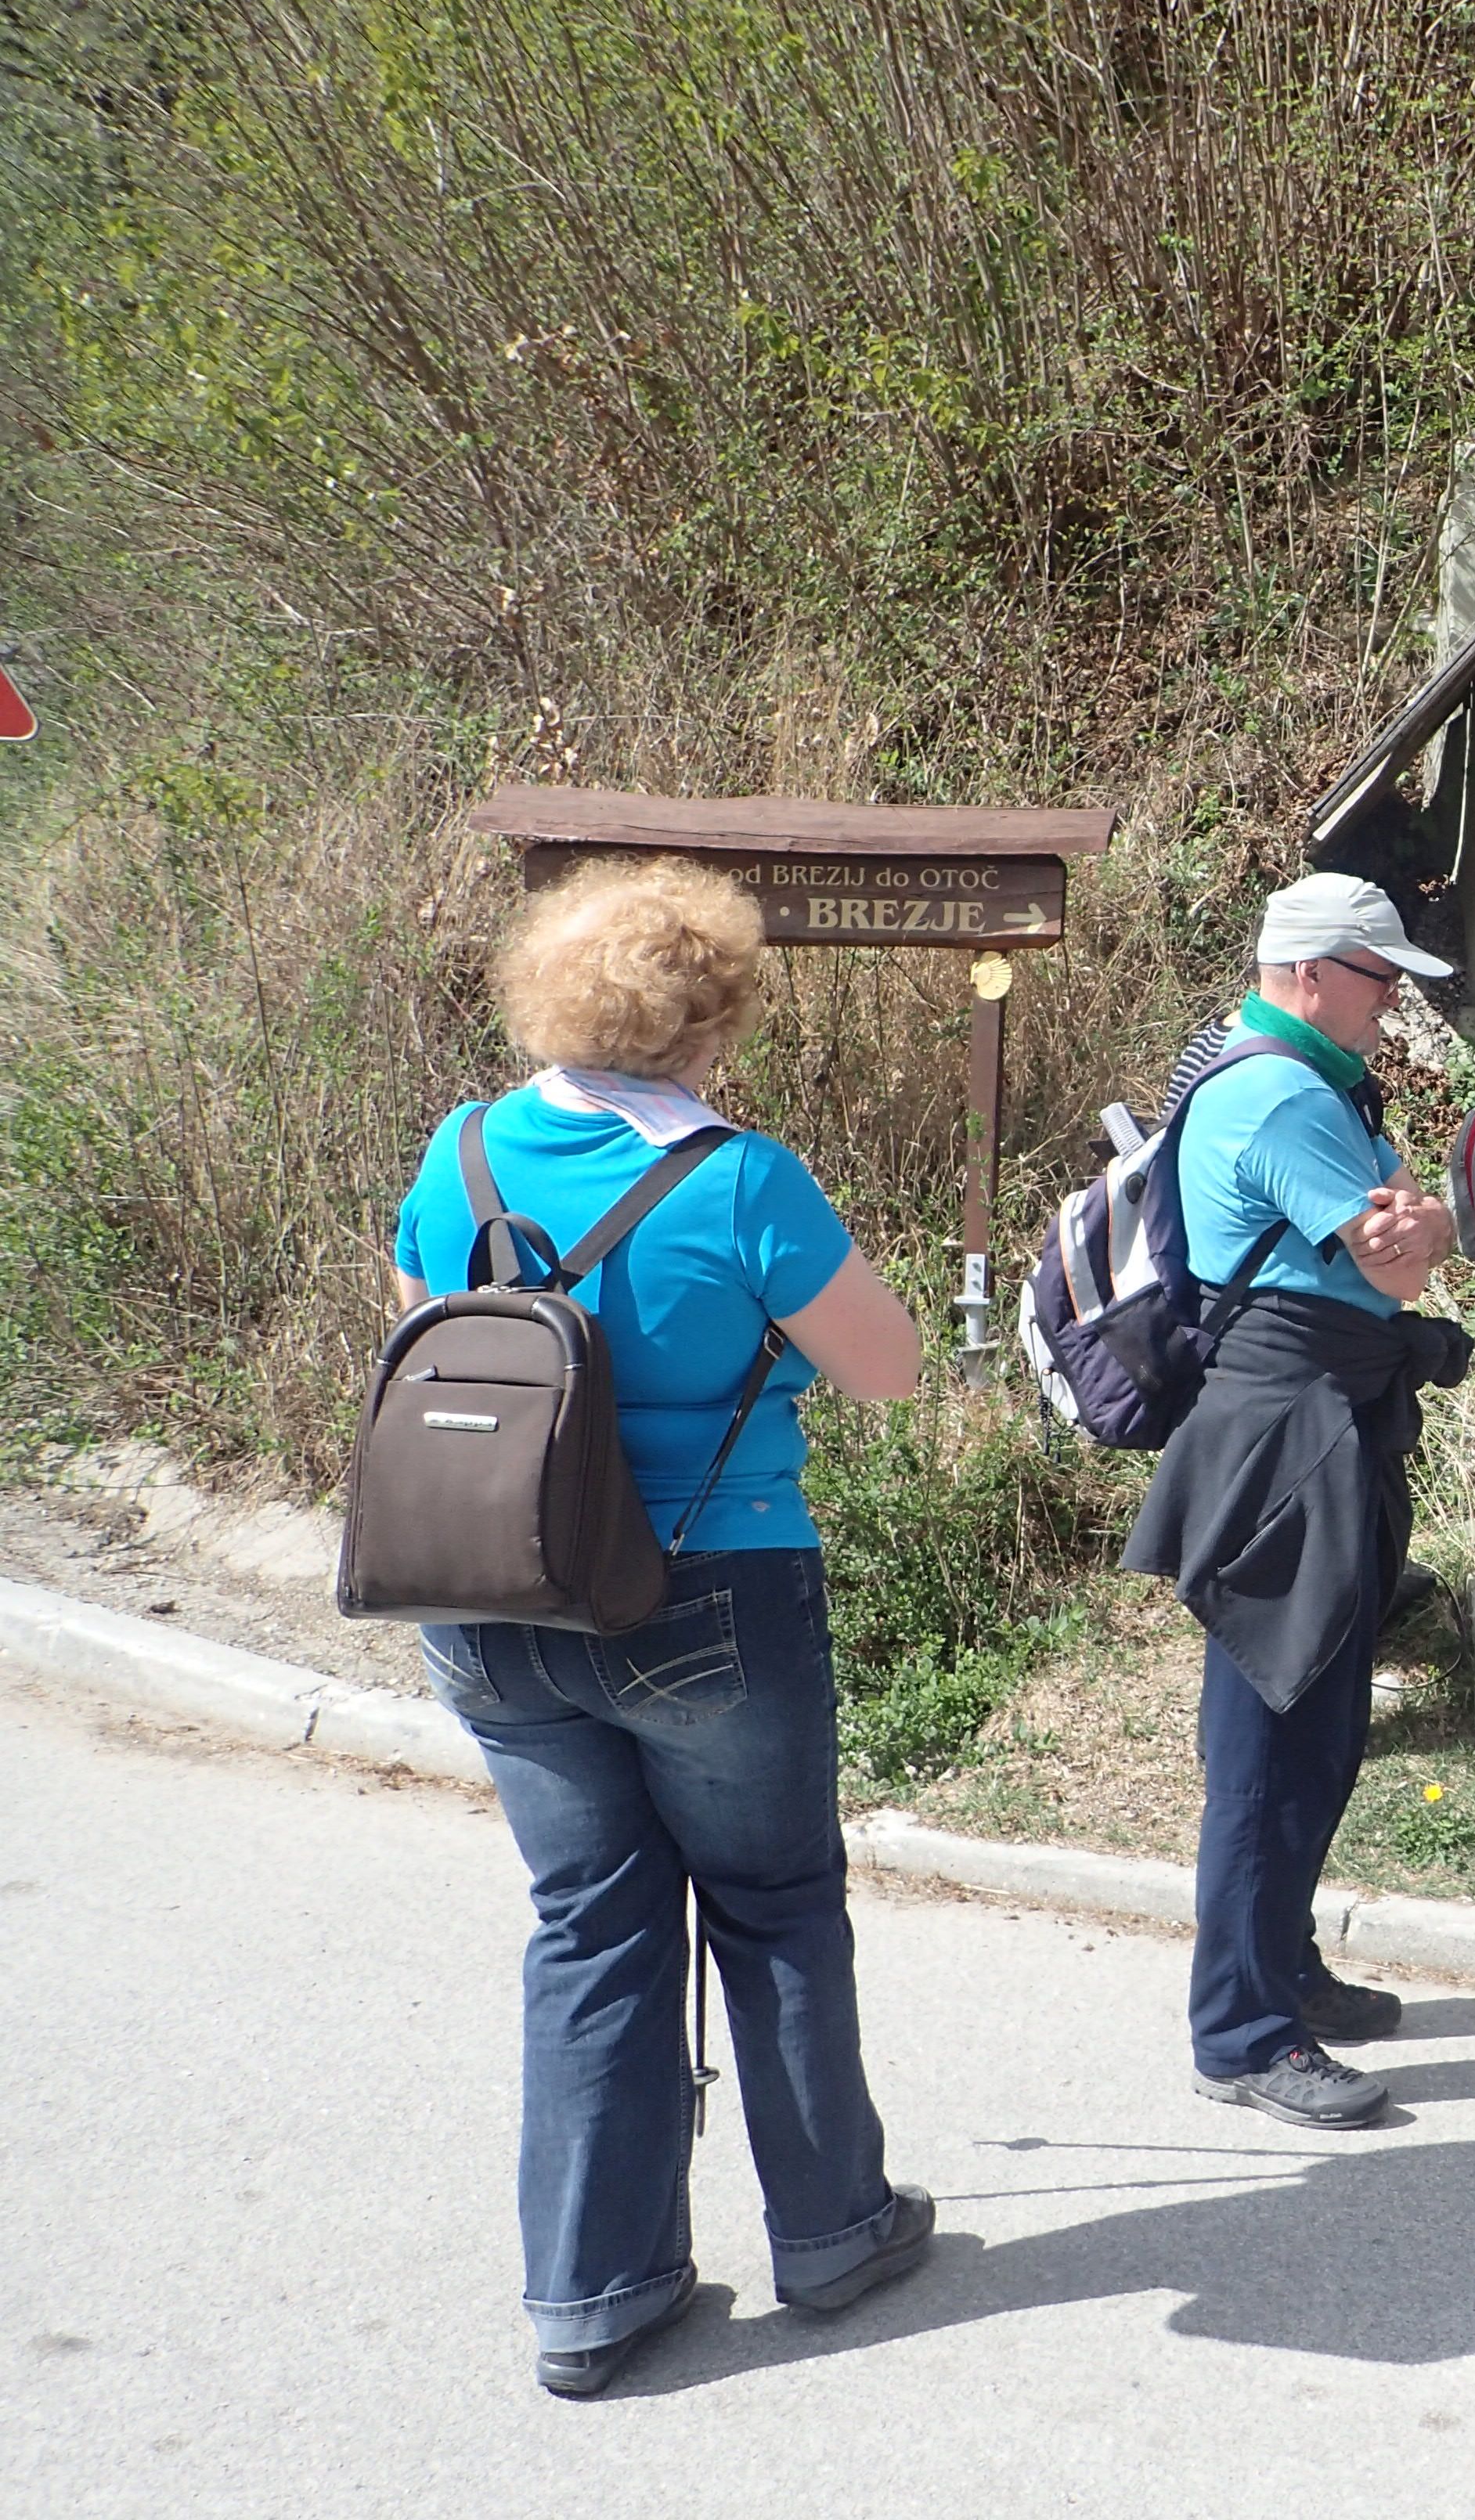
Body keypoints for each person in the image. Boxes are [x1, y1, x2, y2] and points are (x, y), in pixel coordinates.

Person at [393, 856, 933, 2399]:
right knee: (772, 1903)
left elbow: (424, 1333)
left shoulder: (462, 1151)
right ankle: (830, 2228)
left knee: (590, 1919)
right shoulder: (742, 1179)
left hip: (490, 1593)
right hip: (708, 1583)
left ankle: (592, 2291)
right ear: (711, 1021)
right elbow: (889, 1367)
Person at [1122, 872, 1467, 2132]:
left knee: (1315, 1731)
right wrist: (1421, 1227)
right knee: (1270, 1744)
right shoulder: (1281, 1094)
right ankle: (1243, 2033)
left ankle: (1282, 1972)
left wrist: (1422, 1225)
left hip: (1316, 1422)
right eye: (1381, 982)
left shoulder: (1308, 1083)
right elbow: (1404, 1257)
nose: (1393, 1007)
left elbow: (1420, 1231)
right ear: (1313, 975)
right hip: (1288, 1434)